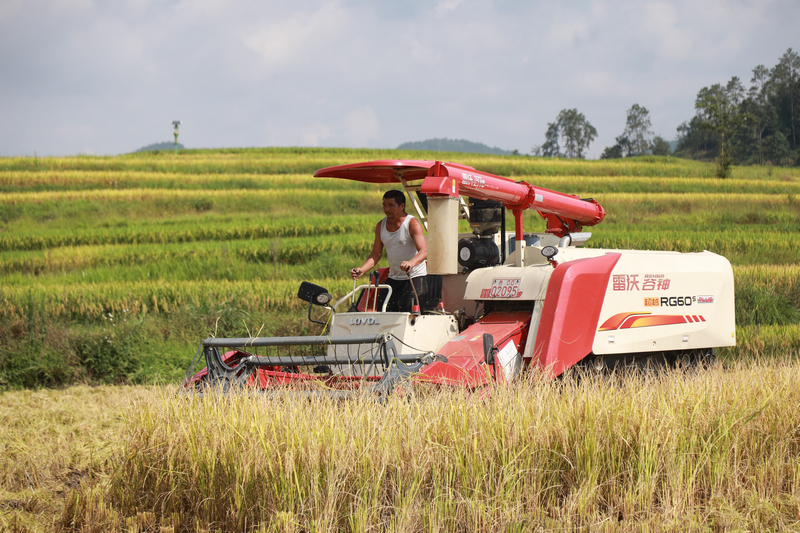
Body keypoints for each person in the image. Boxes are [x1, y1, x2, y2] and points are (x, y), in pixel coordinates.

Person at [350, 190, 431, 312]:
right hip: (394, 278)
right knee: (384, 313)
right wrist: (362, 269)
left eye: (391, 205)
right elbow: (376, 254)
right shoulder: (380, 226)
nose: (386, 209)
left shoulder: (412, 223)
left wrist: (411, 263)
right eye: (384, 205)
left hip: (415, 278)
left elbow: (424, 251)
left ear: (401, 206)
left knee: (410, 317)